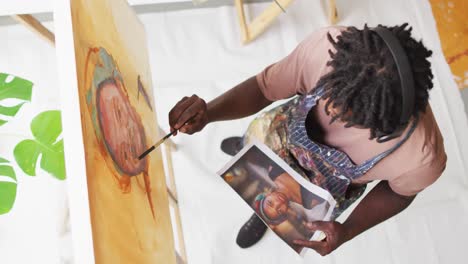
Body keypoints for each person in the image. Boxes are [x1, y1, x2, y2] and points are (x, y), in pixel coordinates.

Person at [168, 24, 447, 256]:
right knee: (252, 143)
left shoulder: (422, 156)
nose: (327, 110)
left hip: (319, 191)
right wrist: (210, 114)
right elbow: (264, 88)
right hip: (278, 132)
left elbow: (399, 193)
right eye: (331, 92)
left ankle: (261, 216)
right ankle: (244, 145)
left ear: (384, 122)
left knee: (275, 204)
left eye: (345, 114)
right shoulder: (325, 50)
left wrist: (349, 229)